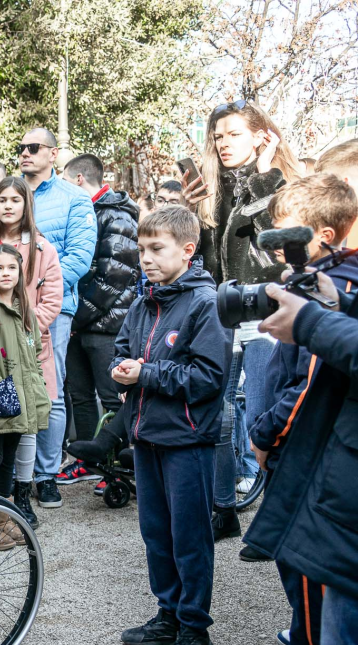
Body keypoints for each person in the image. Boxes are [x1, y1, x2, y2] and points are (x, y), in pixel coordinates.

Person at [237, 173, 356, 645]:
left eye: (291, 236)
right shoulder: (331, 286)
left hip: (308, 451)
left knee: (309, 567)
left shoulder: (329, 294)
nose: (280, 249)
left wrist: (265, 435)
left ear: (325, 236)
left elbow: (306, 384)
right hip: (314, 448)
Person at [110, 206, 230, 645]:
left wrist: (147, 374)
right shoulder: (144, 302)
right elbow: (122, 349)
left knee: (189, 538)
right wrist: (121, 370)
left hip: (187, 441)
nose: (146, 259)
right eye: (141, 250)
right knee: (156, 534)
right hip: (147, 437)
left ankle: (195, 631)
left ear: (187, 250)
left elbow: (209, 377)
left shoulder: (205, 303)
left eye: (156, 249)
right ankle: (169, 613)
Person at [180, 100, 301, 542]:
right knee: (217, 416)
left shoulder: (283, 183)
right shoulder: (210, 189)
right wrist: (191, 213)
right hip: (223, 312)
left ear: (259, 135)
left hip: (268, 310)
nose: (223, 142)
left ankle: (277, 516)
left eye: (233, 133)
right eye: (218, 135)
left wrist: (265, 174)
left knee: (266, 417)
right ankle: (224, 508)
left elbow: (275, 236)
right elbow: (202, 261)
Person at [0, 128, 97, 511]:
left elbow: (77, 257)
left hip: (47, 314)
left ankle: (44, 477)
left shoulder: (73, 199)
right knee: (1, 392)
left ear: (53, 153)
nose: (25, 153)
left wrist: (33, 316)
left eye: (33, 147)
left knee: (47, 393)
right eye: (20, 148)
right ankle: (3, 483)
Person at [0, 176, 63, 521]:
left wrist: (24, 325)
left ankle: (22, 494)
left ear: (27, 205)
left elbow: (52, 300)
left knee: (28, 424)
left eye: (15, 200)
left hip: (28, 343)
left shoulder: (42, 248)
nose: (8, 206)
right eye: (1, 199)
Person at [61, 153, 140, 450]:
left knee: (113, 397)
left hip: (106, 326)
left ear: (79, 180)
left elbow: (112, 278)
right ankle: (87, 460)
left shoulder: (116, 214)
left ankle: (119, 462)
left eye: (65, 182)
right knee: (80, 396)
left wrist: (75, 318)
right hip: (79, 323)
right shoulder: (82, 212)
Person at [0, 245, 50, 548]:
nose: (5, 273)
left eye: (11, 267)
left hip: (23, 397)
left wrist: (36, 388)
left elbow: (34, 351)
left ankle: (3, 517)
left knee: (9, 459)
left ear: (20, 273)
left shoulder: (24, 307)